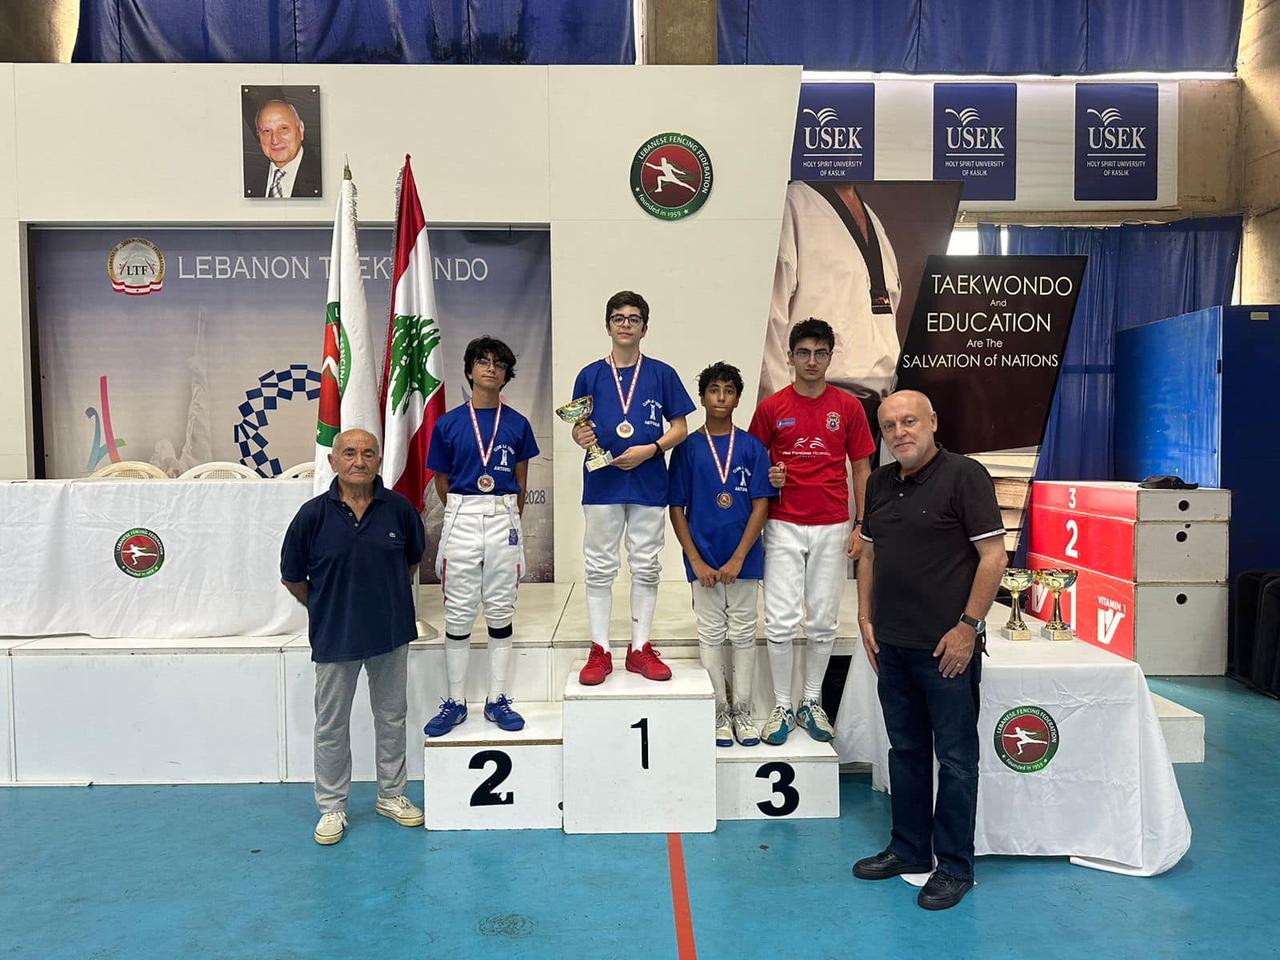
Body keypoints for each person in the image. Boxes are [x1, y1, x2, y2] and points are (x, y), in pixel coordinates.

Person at [851, 390, 1006, 911]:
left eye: (909, 421)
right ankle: (909, 849)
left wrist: (968, 628)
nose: (900, 433)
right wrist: (865, 617)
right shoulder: (878, 482)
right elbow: (868, 555)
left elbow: (993, 556)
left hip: (947, 650)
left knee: (956, 761)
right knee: (907, 751)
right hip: (892, 647)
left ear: (933, 422)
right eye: (889, 426)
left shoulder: (966, 477)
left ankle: (955, 867)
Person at [280, 428, 426, 845]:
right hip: (335, 636)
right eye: (349, 453)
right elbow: (293, 577)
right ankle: (332, 807)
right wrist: (327, 606)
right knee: (331, 725)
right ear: (333, 461)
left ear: (379, 461)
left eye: (368, 453)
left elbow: (412, 561)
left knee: (392, 718)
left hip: (391, 633)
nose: (359, 461)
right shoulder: (311, 516)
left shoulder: (400, 510)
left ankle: (391, 795)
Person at [748, 317, 874, 745]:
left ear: (830, 357)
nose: (812, 361)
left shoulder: (848, 407)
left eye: (820, 353)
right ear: (790, 357)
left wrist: (862, 523)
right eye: (804, 352)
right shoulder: (772, 408)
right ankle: (783, 705)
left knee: (822, 620)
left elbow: (861, 467)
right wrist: (770, 477)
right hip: (782, 523)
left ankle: (811, 701)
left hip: (833, 524)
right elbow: (753, 465)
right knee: (781, 620)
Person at [571, 291, 694, 685]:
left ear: (645, 327)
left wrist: (651, 449)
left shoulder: (662, 374)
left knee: (646, 563)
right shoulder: (589, 375)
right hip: (602, 482)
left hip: (648, 481)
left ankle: (640, 648)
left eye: (634, 318)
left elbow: (680, 428)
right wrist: (579, 435)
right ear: (607, 325)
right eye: (618, 318)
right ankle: (600, 649)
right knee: (599, 566)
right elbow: (579, 427)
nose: (626, 324)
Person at [422, 336, 540, 737]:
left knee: (501, 610)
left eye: (499, 364)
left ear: (506, 376)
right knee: (458, 611)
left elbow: (522, 481)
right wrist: (466, 508)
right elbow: (442, 480)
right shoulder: (448, 423)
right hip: (463, 514)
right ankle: (455, 702)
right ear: (470, 370)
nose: (491, 368)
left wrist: (505, 515)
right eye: (483, 361)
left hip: (504, 515)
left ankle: (497, 698)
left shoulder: (518, 423)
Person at [668, 362, 776, 747]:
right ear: (702, 398)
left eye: (729, 391)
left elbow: (761, 505)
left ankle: (742, 710)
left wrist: (739, 558)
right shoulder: (687, 449)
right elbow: (676, 509)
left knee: (744, 631)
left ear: (738, 399)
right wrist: (696, 561)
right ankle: (717, 710)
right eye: (714, 390)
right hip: (704, 560)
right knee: (711, 632)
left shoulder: (752, 447)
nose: (721, 397)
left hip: (743, 558)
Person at [246, 98, 321, 199]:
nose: (275, 140)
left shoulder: (324, 176)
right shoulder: (248, 179)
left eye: (283, 129)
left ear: (301, 129)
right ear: (258, 135)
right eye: (267, 131)